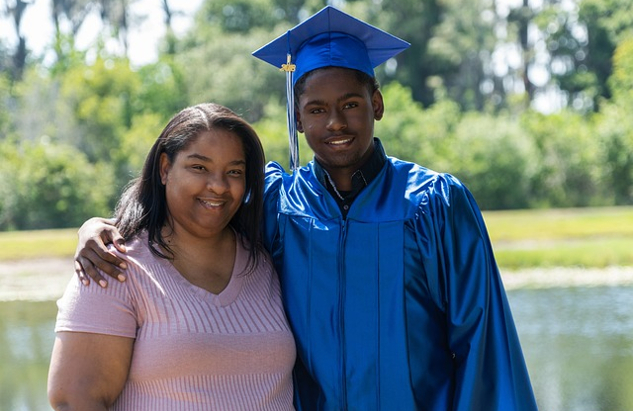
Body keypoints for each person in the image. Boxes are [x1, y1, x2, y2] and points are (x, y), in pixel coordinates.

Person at [73, 6, 538, 411]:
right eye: (316, 109)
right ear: (297, 118)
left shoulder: (433, 204)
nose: (335, 122)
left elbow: (482, 342)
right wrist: (100, 226)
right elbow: (195, 209)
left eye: (351, 104)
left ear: (376, 104)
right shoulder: (277, 203)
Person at [48, 103, 296, 411]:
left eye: (234, 171)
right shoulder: (114, 264)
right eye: (199, 167)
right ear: (165, 168)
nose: (218, 185)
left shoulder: (264, 257)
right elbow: (75, 400)